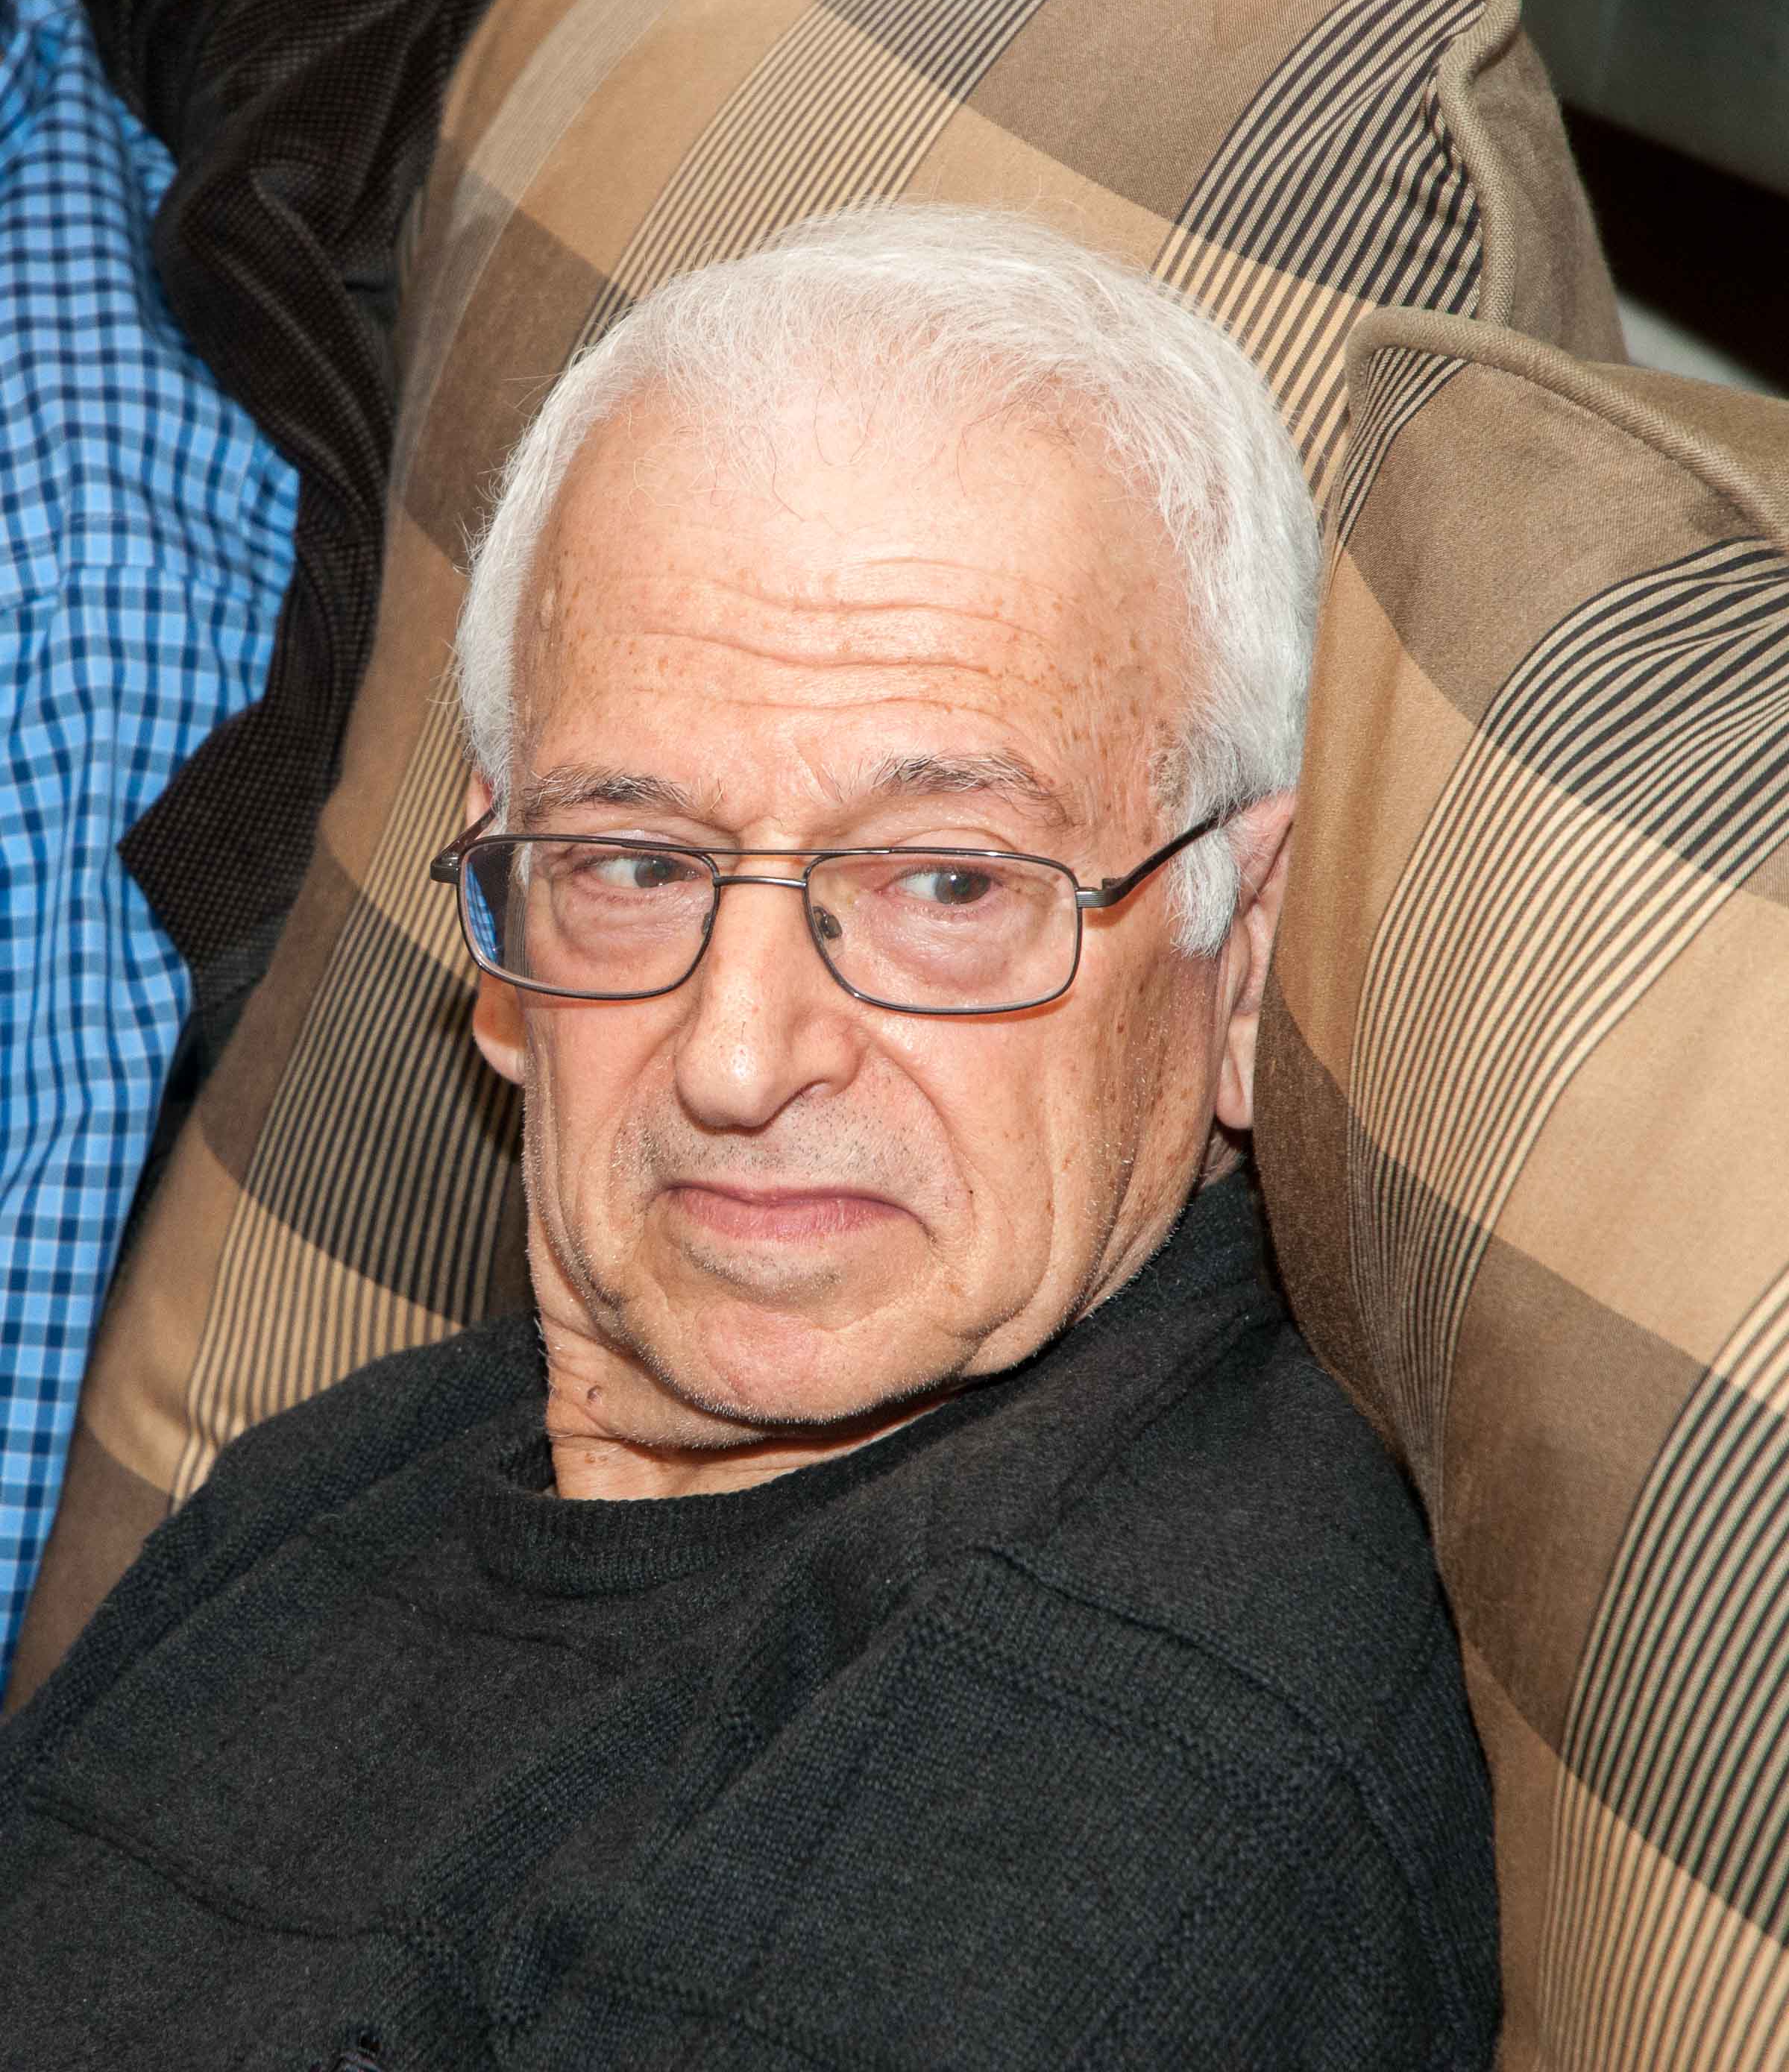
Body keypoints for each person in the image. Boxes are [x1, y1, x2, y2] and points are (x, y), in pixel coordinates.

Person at [0, 204, 1499, 2068]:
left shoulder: (1123, 1758)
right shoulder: (342, 1476)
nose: (735, 1055)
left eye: (948, 881)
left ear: (1245, 950)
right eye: (636, 863)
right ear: (502, 939)